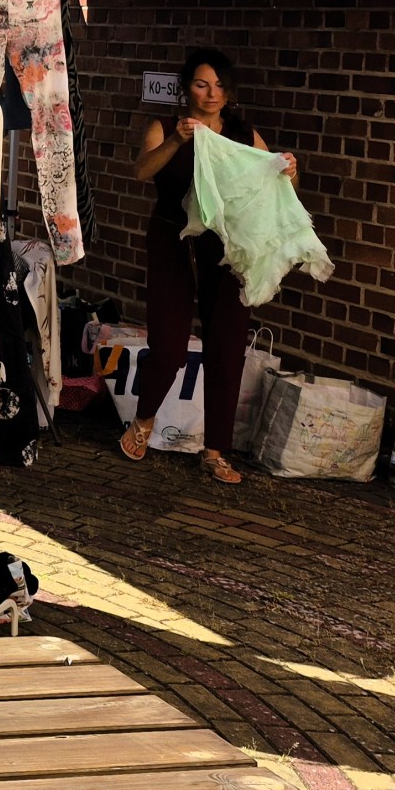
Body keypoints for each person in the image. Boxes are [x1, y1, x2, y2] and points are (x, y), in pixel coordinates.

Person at [122, 48, 298, 485]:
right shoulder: (165, 127)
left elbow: (273, 174)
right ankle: (143, 422)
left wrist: (289, 170)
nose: (211, 92)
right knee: (169, 342)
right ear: (186, 90)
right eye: (202, 84)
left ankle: (215, 450)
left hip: (226, 242)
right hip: (172, 236)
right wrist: (179, 141)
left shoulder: (240, 132)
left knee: (227, 342)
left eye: (219, 85)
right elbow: (142, 172)